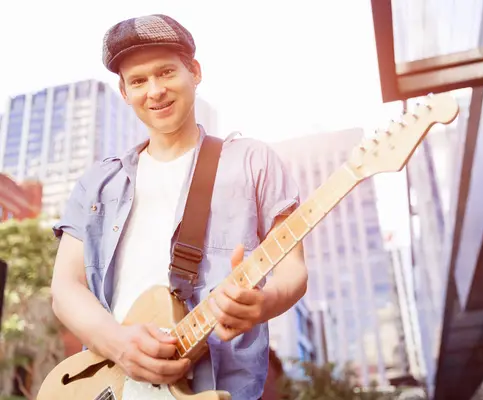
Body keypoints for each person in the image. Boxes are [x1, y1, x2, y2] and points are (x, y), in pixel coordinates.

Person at [50, 14, 308, 399]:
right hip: (109, 387)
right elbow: (65, 287)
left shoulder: (252, 161)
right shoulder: (97, 183)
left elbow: (294, 272)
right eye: (138, 81)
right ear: (124, 92)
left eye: (166, 72)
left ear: (195, 72)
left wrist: (263, 302)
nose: (154, 90)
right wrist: (119, 344)